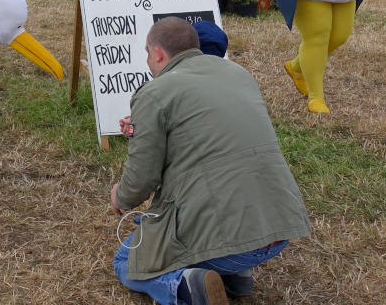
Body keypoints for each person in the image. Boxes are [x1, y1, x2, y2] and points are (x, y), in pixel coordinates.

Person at [111, 17, 310, 305]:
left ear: (157, 53)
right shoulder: (239, 74)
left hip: (230, 242)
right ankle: (237, 275)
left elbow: (142, 178)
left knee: (127, 261)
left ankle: (187, 288)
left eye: (147, 53)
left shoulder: (155, 92)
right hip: (278, 230)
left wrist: (122, 197)